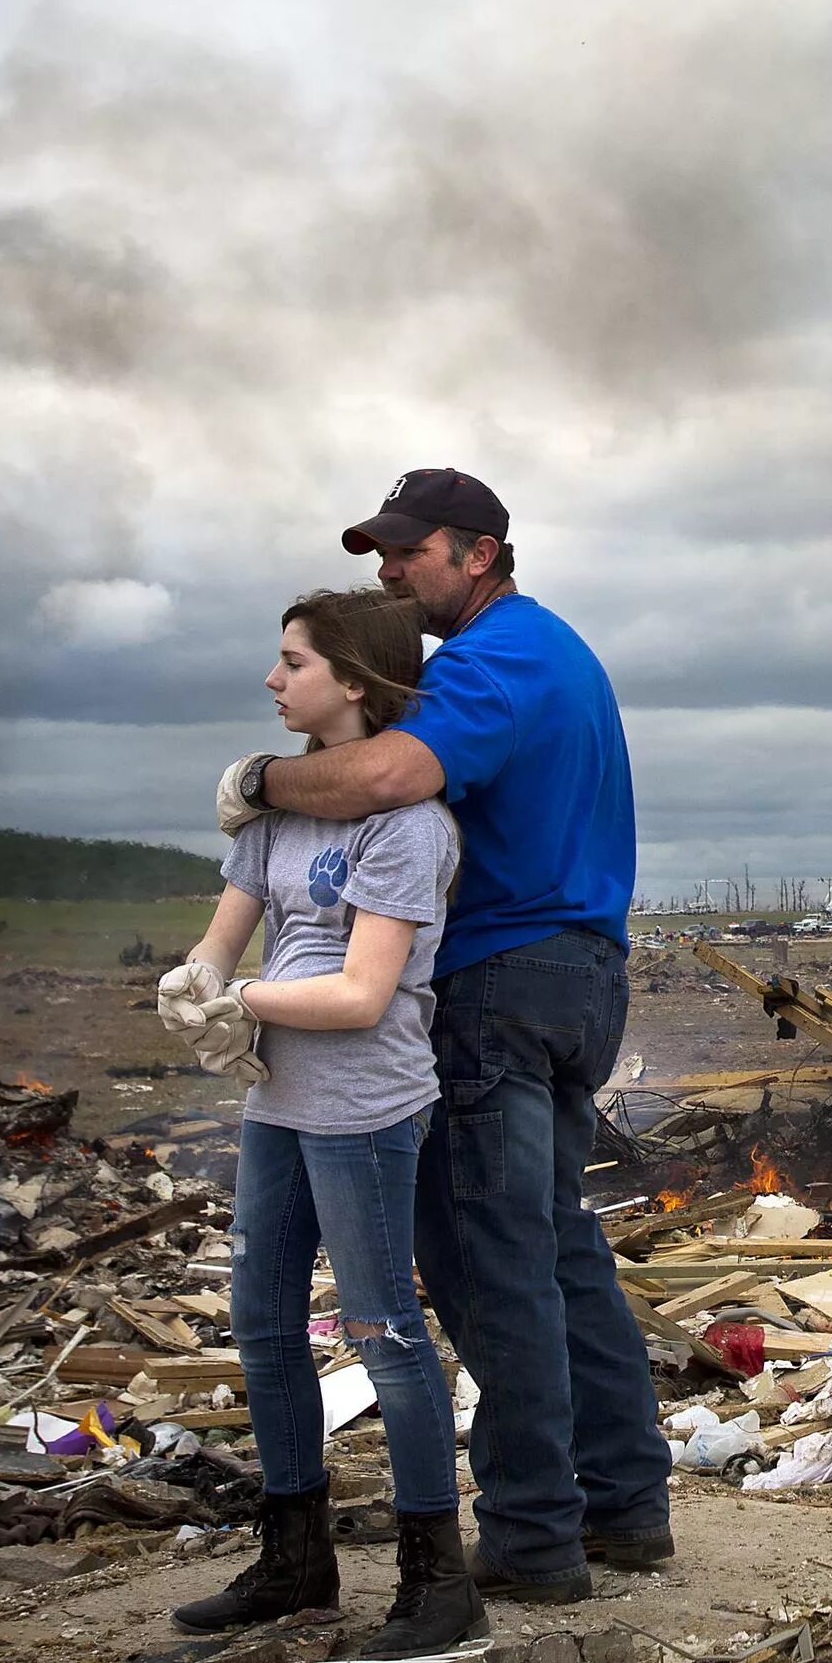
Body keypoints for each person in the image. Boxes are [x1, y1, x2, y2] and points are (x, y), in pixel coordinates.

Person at [214, 469, 667, 1603]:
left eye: (409, 551)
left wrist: (260, 781)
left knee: (486, 1259)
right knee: (556, 1246)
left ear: (479, 553)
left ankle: (530, 1534)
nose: (389, 569)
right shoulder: (553, 649)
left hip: (503, 979)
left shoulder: (493, 657)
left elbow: (391, 771)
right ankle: (622, 1504)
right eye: (380, 551)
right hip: (575, 973)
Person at [159, 586, 484, 1656]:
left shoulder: (409, 824)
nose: (272, 679)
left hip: (362, 1104)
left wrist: (236, 1000)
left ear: (354, 681)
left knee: (384, 1331)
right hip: (278, 1099)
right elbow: (229, 930)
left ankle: (439, 1583)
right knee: (260, 1322)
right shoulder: (280, 810)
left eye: (292, 661)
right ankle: (296, 1561)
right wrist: (196, 974)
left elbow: (360, 995)